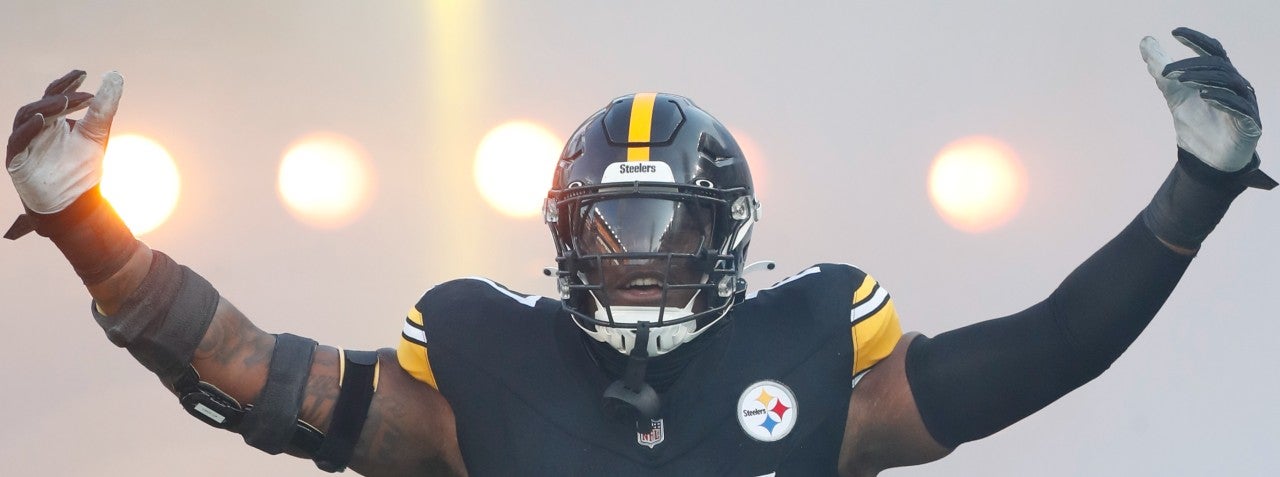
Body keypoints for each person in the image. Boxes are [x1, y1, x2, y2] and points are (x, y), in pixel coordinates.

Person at [4, 27, 1272, 476]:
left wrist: (1196, 188)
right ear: (562, 236)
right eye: (616, 233)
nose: (643, 263)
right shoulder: (482, 366)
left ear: (732, 238)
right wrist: (82, 222)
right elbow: (244, 371)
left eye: (672, 234)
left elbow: (1051, 349)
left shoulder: (812, 359)